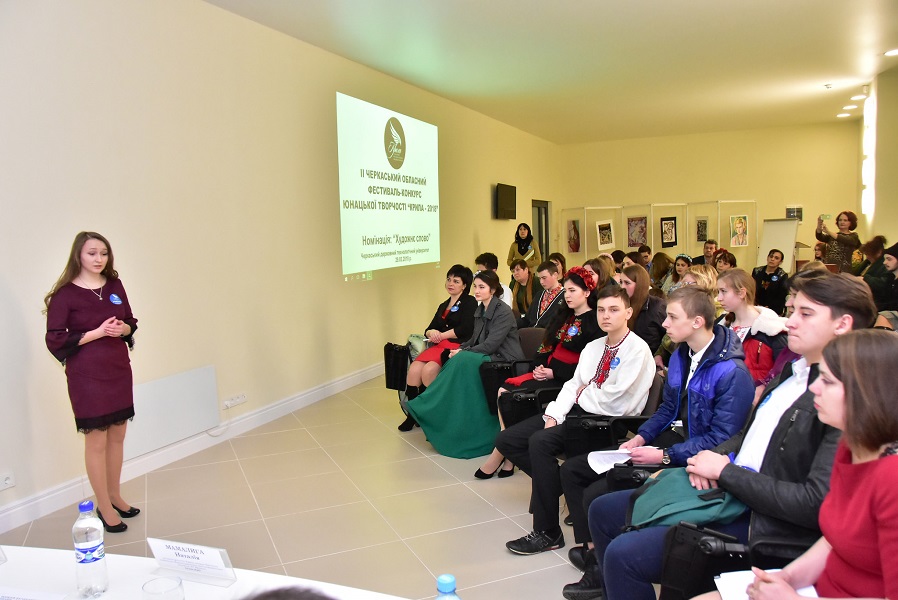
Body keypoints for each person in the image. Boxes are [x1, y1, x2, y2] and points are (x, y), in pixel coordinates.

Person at [570, 272, 876, 600]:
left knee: (624, 555)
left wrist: (721, 470)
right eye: (793, 310)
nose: (790, 322)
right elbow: (744, 435)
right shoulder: (792, 373)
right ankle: (608, 583)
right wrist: (711, 460)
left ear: (842, 324)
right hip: (730, 485)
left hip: (760, 518)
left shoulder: (842, 398)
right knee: (602, 510)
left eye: (806, 313)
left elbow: (813, 502)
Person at [696, 329, 898, 600]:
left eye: (827, 381)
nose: (814, 388)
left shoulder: (891, 480)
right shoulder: (849, 450)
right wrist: (788, 577)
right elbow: (833, 541)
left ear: (869, 392)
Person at [560, 286, 753, 567]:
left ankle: (601, 566)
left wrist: (663, 456)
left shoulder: (732, 372)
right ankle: (593, 549)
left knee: (598, 492)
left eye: (672, 317)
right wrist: (642, 437)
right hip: (672, 439)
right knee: (574, 469)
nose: (665, 324)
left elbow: (720, 439)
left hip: (697, 455)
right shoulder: (682, 354)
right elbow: (667, 409)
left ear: (697, 322)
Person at [497, 286, 655, 556]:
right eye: (601, 310)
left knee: (540, 443)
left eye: (614, 310)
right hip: (577, 413)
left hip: (604, 422)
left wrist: (583, 394)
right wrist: (554, 415)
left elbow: (617, 401)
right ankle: (554, 484)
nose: (606, 315)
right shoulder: (594, 347)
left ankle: (547, 531)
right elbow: (572, 385)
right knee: (507, 439)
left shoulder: (637, 350)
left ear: (628, 313)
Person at [44, 232, 140, 534]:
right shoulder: (65, 295)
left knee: (118, 436)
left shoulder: (114, 285)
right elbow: (55, 339)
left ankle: (115, 495)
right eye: (92, 253)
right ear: (78, 256)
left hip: (118, 370)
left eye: (104, 253)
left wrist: (123, 329)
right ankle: (104, 506)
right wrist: (98, 333)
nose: (99, 259)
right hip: (87, 376)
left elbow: (130, 321)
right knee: (97, 441)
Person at [475, 267, 603, 479]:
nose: (567, 295)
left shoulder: (596, 322)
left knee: (509, 395)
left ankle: (501, 453)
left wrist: (554, 372)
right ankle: (507, 454)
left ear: (587, 292)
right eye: (566, 291)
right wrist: (540, 366)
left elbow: (588, 368)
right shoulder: (563, 315)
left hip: (567, 380)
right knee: (503, 390)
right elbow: (546, 346)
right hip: (549, 372)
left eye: (572, 291)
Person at [407, 270, 524, 459]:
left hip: (503, 359)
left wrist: (464, 352)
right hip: (487, 355)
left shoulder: (503, 311)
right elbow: (473, 340)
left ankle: (428, 403)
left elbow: (491, 345)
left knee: (462, 359)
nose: (476, 290)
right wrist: (461, 348)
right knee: (456, 357)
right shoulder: (481, 309)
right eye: (475, 286)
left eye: (481, 287)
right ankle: (439, 408)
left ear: (493, 290)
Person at [398, 265, 477, 431]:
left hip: (456, 346)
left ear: (464, 285)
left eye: (456, 281)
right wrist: (432, 332)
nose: (450, 283)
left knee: (428, 371)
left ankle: (432, 413)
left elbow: (465, 329)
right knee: (414, 370)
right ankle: (413, 415)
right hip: (439, 345)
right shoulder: (443, 305)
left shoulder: (469, 302)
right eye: (449, 279)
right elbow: (429, 328)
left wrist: (441, 335)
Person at [718, 269, 789, 384]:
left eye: (723, 291)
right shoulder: (720, 327)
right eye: (718, 292)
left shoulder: (772, 330)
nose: (719, 298)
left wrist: (763, 388)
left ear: (741, 293)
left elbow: (784, 373)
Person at [619, 265, 667, 354]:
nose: (622, 287)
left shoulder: (657, 306)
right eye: (621, 282)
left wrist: (660, 355)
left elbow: (670, 336)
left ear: (639, 284)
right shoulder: (621, 305)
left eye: (627, 283)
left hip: (651, 358)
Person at [518, 261, 566, 329]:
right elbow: (527, 319)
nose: (541, 282)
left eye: (544, 278)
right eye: (539, 278)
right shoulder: (539, 295)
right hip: (531, 333)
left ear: (555, 275)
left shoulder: (565, 296)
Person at [853, 235, 892, 311]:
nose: (867, 257)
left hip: (875, 301)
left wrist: (865, 278)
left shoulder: (885, 265)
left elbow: (882, 284)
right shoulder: (868, 262)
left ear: (878, 253)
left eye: (868, 254)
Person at [752, 248, 789, 315]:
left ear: (780, 262)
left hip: (773, 310)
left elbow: (782, 295)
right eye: (771, 256)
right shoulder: (757, 271)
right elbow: (751, 289)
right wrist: (756, 304)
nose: (772, 259)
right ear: (767, 258)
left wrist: (769, 307)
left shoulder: (782, 275)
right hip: (756, 307)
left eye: (776, 258)